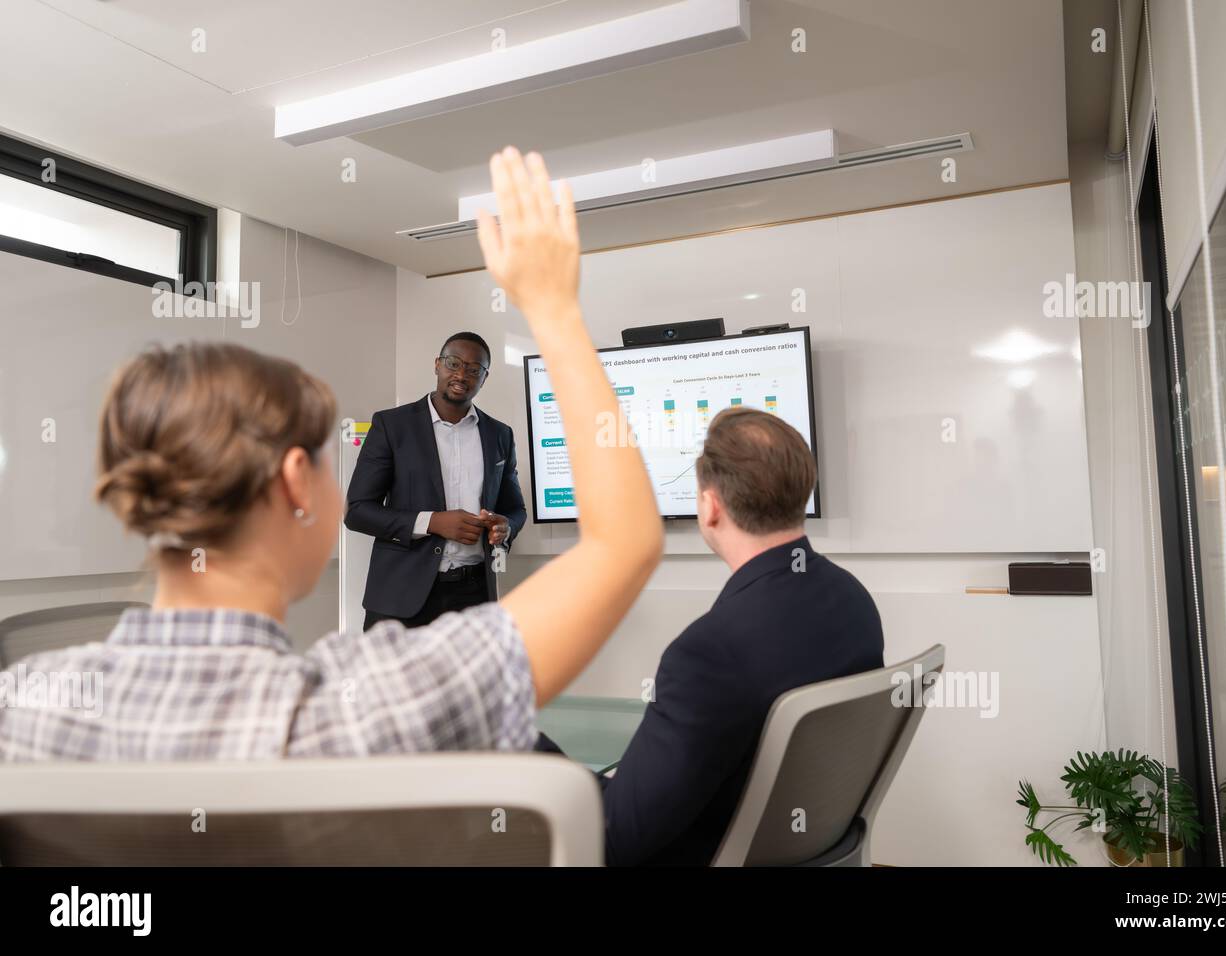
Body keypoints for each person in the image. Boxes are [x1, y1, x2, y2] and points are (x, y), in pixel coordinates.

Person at [0, 147, 663, 762]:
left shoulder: (22, 705)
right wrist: (552, 305)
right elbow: (625, 543)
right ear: (296, 482)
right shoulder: (371, 705)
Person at [597, 407, 884, 866]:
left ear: (711, 506)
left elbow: (614, 842)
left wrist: (534, 755)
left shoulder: (707, 653)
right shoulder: (853, 601)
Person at [345, 329, 527, 630]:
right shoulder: (392, 426)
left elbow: (515, 510)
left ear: (484, 378)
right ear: (437, 365)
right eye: (453, 363)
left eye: (474, 369)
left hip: (475, 599)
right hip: (401, 600)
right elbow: (357, 511)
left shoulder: (499, 435)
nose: (461, 375)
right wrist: (431, 522)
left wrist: (505, 527)